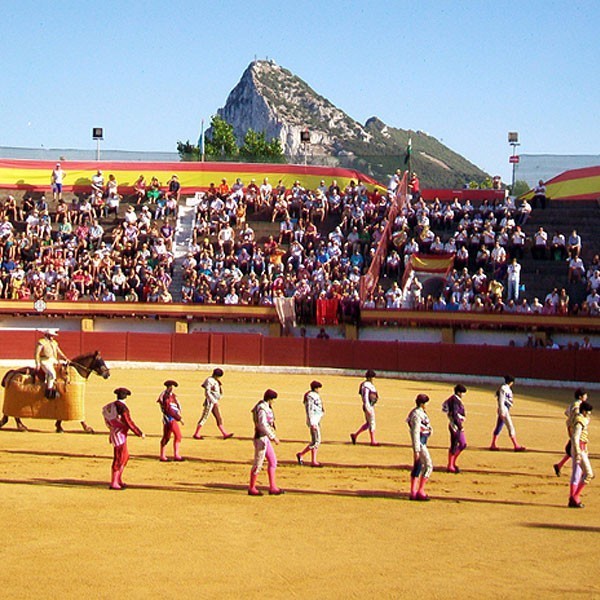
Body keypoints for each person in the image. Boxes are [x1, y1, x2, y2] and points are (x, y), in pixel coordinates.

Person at [102, 387, 145, 490]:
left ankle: (118, 479)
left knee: (124, 456)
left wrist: (111, 429)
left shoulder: (110, 406)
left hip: (115, 432)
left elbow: (107, 420)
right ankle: (114, 482)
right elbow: (128, 422)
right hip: (119, 434)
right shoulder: (123, 408)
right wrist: (139, 433)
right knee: (119, 457)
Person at [248, 389, 283, 496]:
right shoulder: (262, 408)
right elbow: (262, 424)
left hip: (265, 439)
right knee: (258, 464)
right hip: (261, 439)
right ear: (270, 399)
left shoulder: (264, 407)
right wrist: (273, 437)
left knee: (273, 461)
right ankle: (252, 488)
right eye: (273, 400)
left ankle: (273, 487)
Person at [553, 388, 587, 476]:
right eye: (585, 395)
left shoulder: (573, 404)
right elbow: (574, 415)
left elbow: (567, 413)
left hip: (572, 429)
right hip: (576, 430)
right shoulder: (578, 405)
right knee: (578, 451)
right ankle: (584, 471)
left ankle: (559, 466)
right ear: (580, 397)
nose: (586, 397)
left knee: (571, 451)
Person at [192, 368, 233, 439]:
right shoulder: (209, 380)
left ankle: (224, 434)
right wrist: (214, 401)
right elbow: (207, 393)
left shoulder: (216, 381)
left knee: (218, 418)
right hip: (209, 402)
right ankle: (196, 434)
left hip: (214, 402)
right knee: (204, 418)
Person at [407, 393, 433, 501]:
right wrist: (416, 449)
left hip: (422, 442)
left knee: (418, 466)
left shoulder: (416, 412)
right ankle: (420, 491)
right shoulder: (417, 414)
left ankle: (413, 492)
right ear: (422, 404)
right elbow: (416, 432)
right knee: (428, 466)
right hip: (420, 443)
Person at [489, 375, 526, 451]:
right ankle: (516, 445)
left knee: (499, 426)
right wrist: (502, 411)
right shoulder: (504, 388)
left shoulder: (504, 388)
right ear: (511, 382)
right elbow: (501, 400)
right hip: (504, 409)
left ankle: (493, 444)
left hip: (504, 409)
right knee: (510, 427)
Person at [568, 400, 593, 508]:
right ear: (583, 411)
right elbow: (575, 437)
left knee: (576, 473)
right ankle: (575, 496)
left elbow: (568, 425)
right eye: (588, 411)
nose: (589, 413)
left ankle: (573, 498)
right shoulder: (580, 421)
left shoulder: (577, 418)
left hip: (579, 449)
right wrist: (578, 452)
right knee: (588, 474)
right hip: (579, 449)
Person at [296, 380, 325, 467]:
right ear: (315, 388)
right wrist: (312, 422)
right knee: (316, 441)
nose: (319, 390)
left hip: (316, 420)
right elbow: (310, 409)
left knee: (314, 440)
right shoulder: (310, 396)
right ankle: (301, 454)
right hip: (314, 421)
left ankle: (313, 460)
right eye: (318, 388)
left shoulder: (312, 395)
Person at [34, 329, 68, 399]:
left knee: (63, 369)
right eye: (51, 335)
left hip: (53, 360)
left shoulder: (54, 343)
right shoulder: (41, 342)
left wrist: (65, 358)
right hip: (45, 361)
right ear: (47, 335)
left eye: (53, 335)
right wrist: (37, 363)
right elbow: (37, 353)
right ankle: (48, 391)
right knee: (52, 373)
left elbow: (59, 351)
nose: (53, 337)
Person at [350, 369, 380, 446]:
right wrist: (367, 406)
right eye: (373, 377)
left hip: (369, 405)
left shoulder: (367, 385)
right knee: (372, 422)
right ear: (370, 377)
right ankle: (373, 441)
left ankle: (355, 435)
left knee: (368, 423)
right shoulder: (366, 385)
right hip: (368, 406)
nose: (374, 379)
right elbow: (365, 396)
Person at [441, 384, 467, 473]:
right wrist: (460, 426)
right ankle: (450, 465)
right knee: (457, 444)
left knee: (459, 444)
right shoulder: (454, 400)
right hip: (455, 426)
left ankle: (451, 463)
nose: (464, 395)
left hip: (455, 424)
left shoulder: (453, 399)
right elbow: (454, 414)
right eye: (463, 393)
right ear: (459, 393)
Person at [157, 379, 184, 462]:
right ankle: (175, 455)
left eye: (172, 387)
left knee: (168, 436)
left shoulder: (171, 395)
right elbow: (168, 410)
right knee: (176, 436)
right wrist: (179, 418)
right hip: (169, 419)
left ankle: (164, 455)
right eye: (170, 387)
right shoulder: (166, 396)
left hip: (171, 418)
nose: (172, 388)